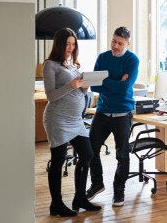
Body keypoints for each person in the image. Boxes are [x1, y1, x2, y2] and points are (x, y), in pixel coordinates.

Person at [42, 28, 101, 217]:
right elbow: (51, 96)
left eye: (73, 43)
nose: (70, 47)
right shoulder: (50, 65)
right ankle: (56, 205)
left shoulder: (74, 65)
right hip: (57, 119)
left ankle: (80, 198)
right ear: (59, 44)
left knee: (87, 154)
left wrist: (85, 86)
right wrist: (71, 85)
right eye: (67, 43)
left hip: (75, 120)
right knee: (58, 160)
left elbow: (79, 92)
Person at [86, 26, 139, 207]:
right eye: (114, 41)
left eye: (120, 43)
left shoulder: (132, 60)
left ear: (127, 44)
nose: (115, 46)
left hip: (122, 113)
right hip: (102, 111)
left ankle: (119, 190)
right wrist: (116, 82)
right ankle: (97, 183)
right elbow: (94, 86)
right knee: (90, 149)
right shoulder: (103, 57)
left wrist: (104, 80)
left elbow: (125, 88)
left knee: (122, 155)